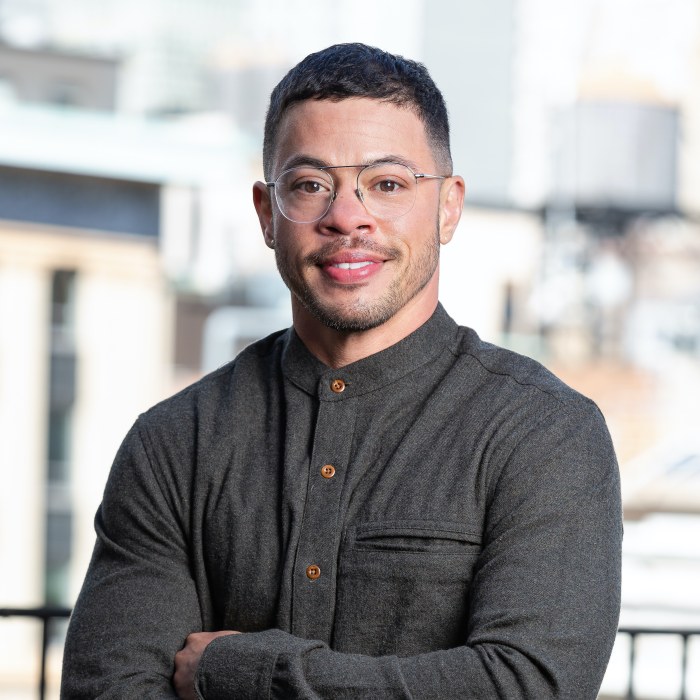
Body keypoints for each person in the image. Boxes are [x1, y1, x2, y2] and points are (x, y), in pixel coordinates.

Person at [61, 43, 622, 699]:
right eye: (309, 186)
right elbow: (108, 687)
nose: (347, 217)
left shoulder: (543, 434)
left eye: (387, 184)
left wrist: (245, 674)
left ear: (448, 207)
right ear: (268, 214)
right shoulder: (173, 441)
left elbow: (527, 686)